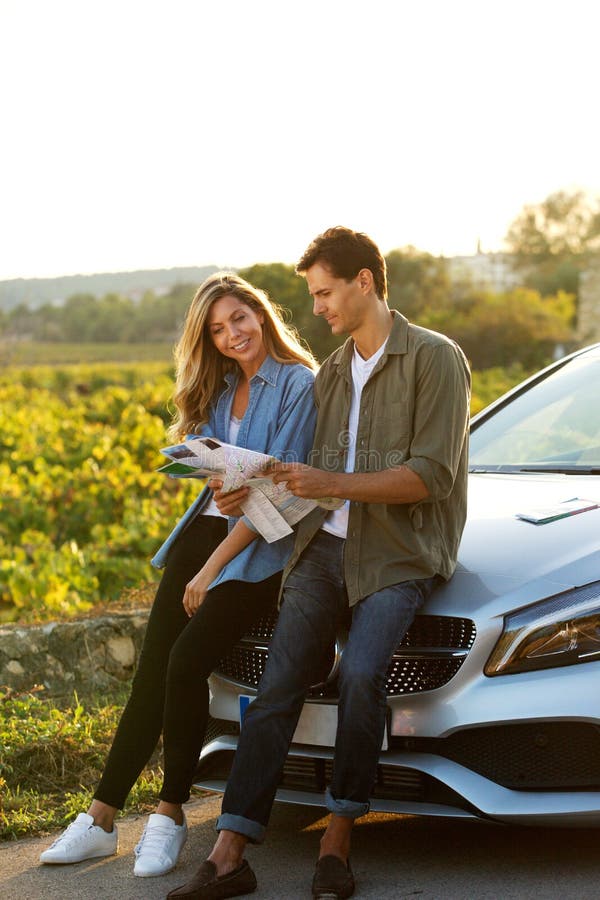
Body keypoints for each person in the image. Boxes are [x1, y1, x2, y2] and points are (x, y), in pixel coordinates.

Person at [167, 227, 471, 900]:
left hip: (399, 552)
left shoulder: (436, 360)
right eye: (314, 295)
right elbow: (304, 477)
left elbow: (432, 477)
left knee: (362, 675)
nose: (318, 309)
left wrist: (329, 483)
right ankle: (229, 850)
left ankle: (338, 834)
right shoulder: (332, 371)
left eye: (325, 293)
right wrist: (247, 481)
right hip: (322, 546)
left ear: (365, 282)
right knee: (278, 685)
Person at [39, 272, 318, 877]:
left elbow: (275, 493)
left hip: (259, 549)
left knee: (187, 663)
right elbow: (225, 482)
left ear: (261, 314)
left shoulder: (301, 384)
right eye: (217, 329)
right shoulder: (221, 389)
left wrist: (211, 570)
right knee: (152, 674)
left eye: (238, 319)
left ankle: (168, 814)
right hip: (203, 533)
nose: (231, 335)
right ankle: (101, 817)